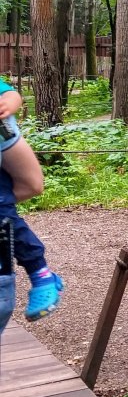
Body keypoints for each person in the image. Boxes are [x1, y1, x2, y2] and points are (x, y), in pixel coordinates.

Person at [0, 79, 64, 323]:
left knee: (4, 212)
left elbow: (12, 95)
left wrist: (8, 105)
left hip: (4, 139)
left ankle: (41, 273)